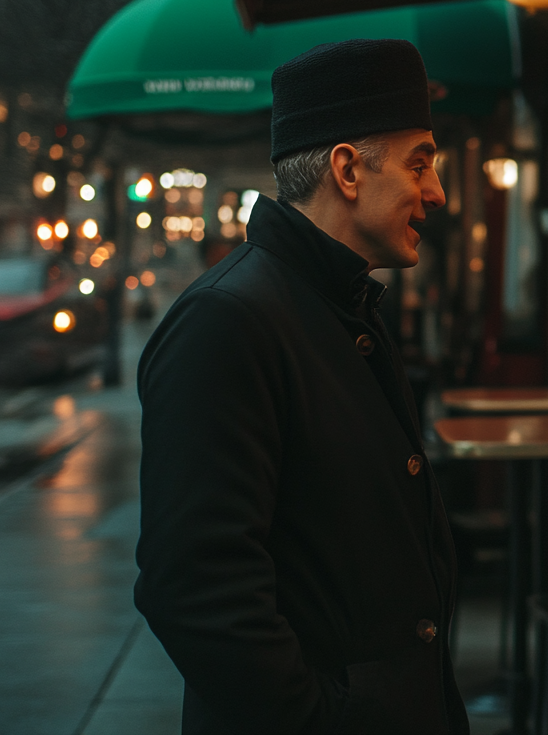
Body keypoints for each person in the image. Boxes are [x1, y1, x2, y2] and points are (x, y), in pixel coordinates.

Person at [134, 39, 467, 734]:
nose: (436, 192)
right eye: (420, 162)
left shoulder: (341, 305)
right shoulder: (227, 322)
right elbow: (197, 591)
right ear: (347, 169)